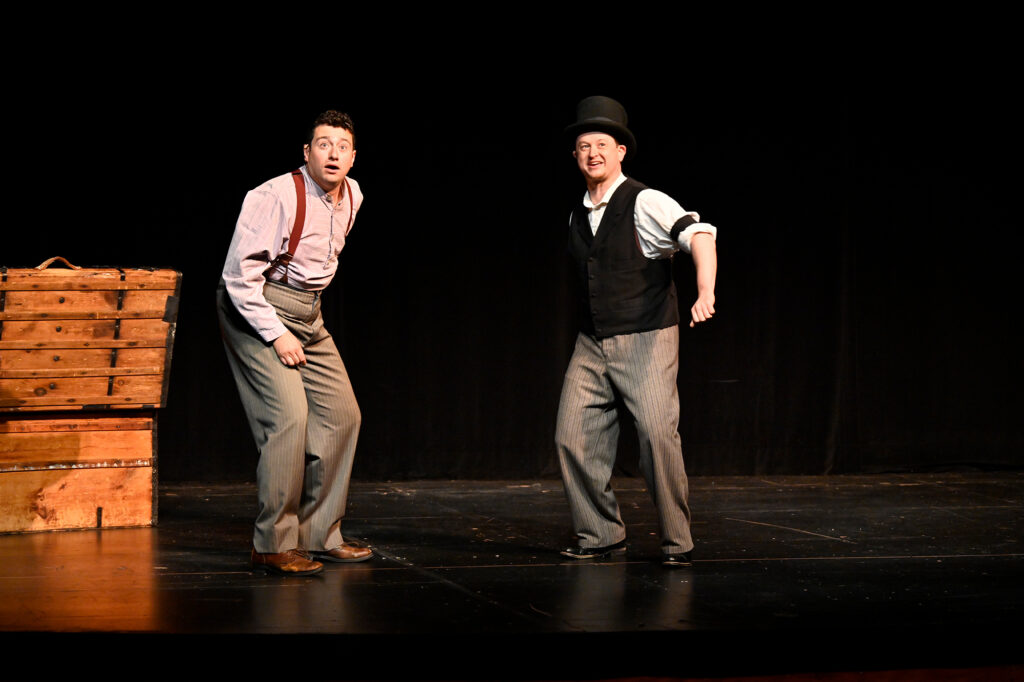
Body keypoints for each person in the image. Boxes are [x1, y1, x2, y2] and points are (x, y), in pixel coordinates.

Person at [555, 96, 718, 568]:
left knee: (655, 436)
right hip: (593, 340)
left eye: (602, 144)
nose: (593, 153)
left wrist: (704, 289)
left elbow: (698, 234)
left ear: (621, 150)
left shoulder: (644, 200)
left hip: (646, 335)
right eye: (584, 146)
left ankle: (677, 541)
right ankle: (600, 534)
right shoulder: (577, 214)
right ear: (575, 156)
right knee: (572, 435)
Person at [217, 110, 373, 576]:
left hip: (308, 310)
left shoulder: (354, 196)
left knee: (343, 415)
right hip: (256, 304)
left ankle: (320, 534)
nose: (333, 154)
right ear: (306, 153)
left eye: (342, 147)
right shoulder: (275, 195)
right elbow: (238, 277)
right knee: (289, 418)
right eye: (323, 145)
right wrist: (278, 333)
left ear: (352, 156)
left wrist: (303, 319)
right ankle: (273, 543)